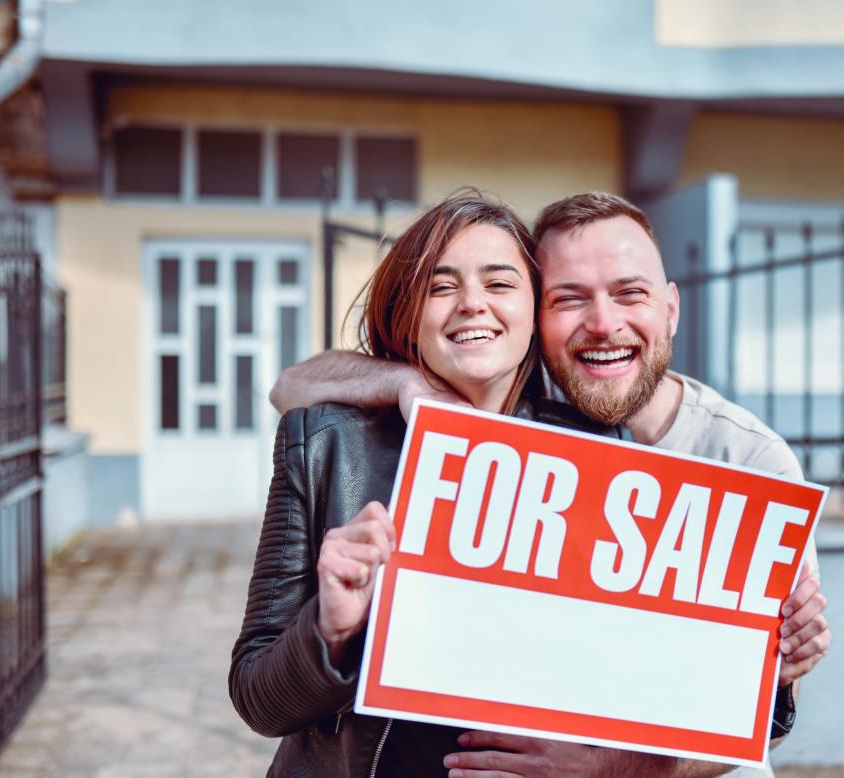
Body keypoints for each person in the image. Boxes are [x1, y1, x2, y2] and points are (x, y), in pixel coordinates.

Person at [270, 192, 832, 777]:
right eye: (569, 299)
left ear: (671, 308)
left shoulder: (751, 460)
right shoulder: (531, 396)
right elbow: (292, 384)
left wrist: (781, 660)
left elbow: (755, 715)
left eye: (629, 292)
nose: (604, 323)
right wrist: (408, 383)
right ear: (538, 317)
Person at [230, 191, 630, 777]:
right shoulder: (326, 444)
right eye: (441, 287)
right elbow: (257, 699)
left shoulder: (599, 451)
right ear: (408, 314)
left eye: (499, 284)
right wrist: (331, 629)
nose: (472, 304)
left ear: (536, 310)